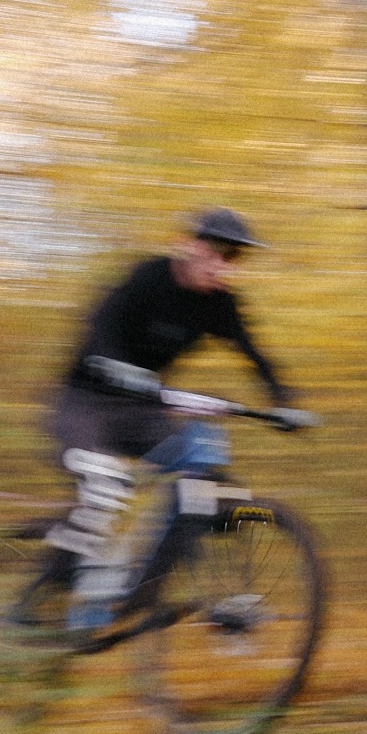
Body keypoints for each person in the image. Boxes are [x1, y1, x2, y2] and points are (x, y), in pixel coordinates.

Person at [44, 208, 306, 630]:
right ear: (191, 246)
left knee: (204, 477)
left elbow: (254, 354)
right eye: (218, 253)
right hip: (86, 404)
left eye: (235, 258)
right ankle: (47, 592)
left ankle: (142, 589)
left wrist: (284, 402)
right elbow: (99, 331)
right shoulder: (147, 279)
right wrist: (118, 369)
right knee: (105, 489)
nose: (224, 266)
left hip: (142, 411)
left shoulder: (220, 306)